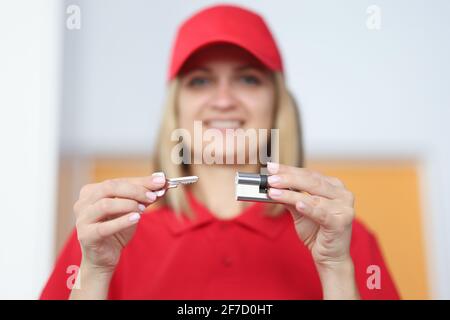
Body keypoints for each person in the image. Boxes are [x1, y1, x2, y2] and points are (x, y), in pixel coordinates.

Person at [40, 4, 399, 300]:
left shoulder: (343, 238)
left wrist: (336, 269)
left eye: (248, 79)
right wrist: (94, 274)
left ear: (277, 105)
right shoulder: (107, 234)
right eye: (200, 80)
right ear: (176, 109)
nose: (224, 100)